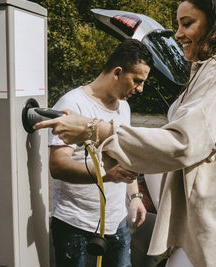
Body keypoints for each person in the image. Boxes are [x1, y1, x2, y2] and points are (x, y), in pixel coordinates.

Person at [36, 0, 216, 266]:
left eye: (187, 23)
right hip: (82, 223)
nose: (177, 34)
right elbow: (64, 165)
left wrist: (94, 129)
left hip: (210, 234)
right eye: (178, 24)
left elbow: (181, 143)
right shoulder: (210, 70)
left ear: (215, 24)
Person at [48, 39, 153, 267]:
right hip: (75, 224)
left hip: (117, 222)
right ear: (117, 72)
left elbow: (124, 158)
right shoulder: (72, 104)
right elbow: (57, 165)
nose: (140, 89)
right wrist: (105, 176)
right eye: (137, 80)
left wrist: (134, 197)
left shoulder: (123, 106)